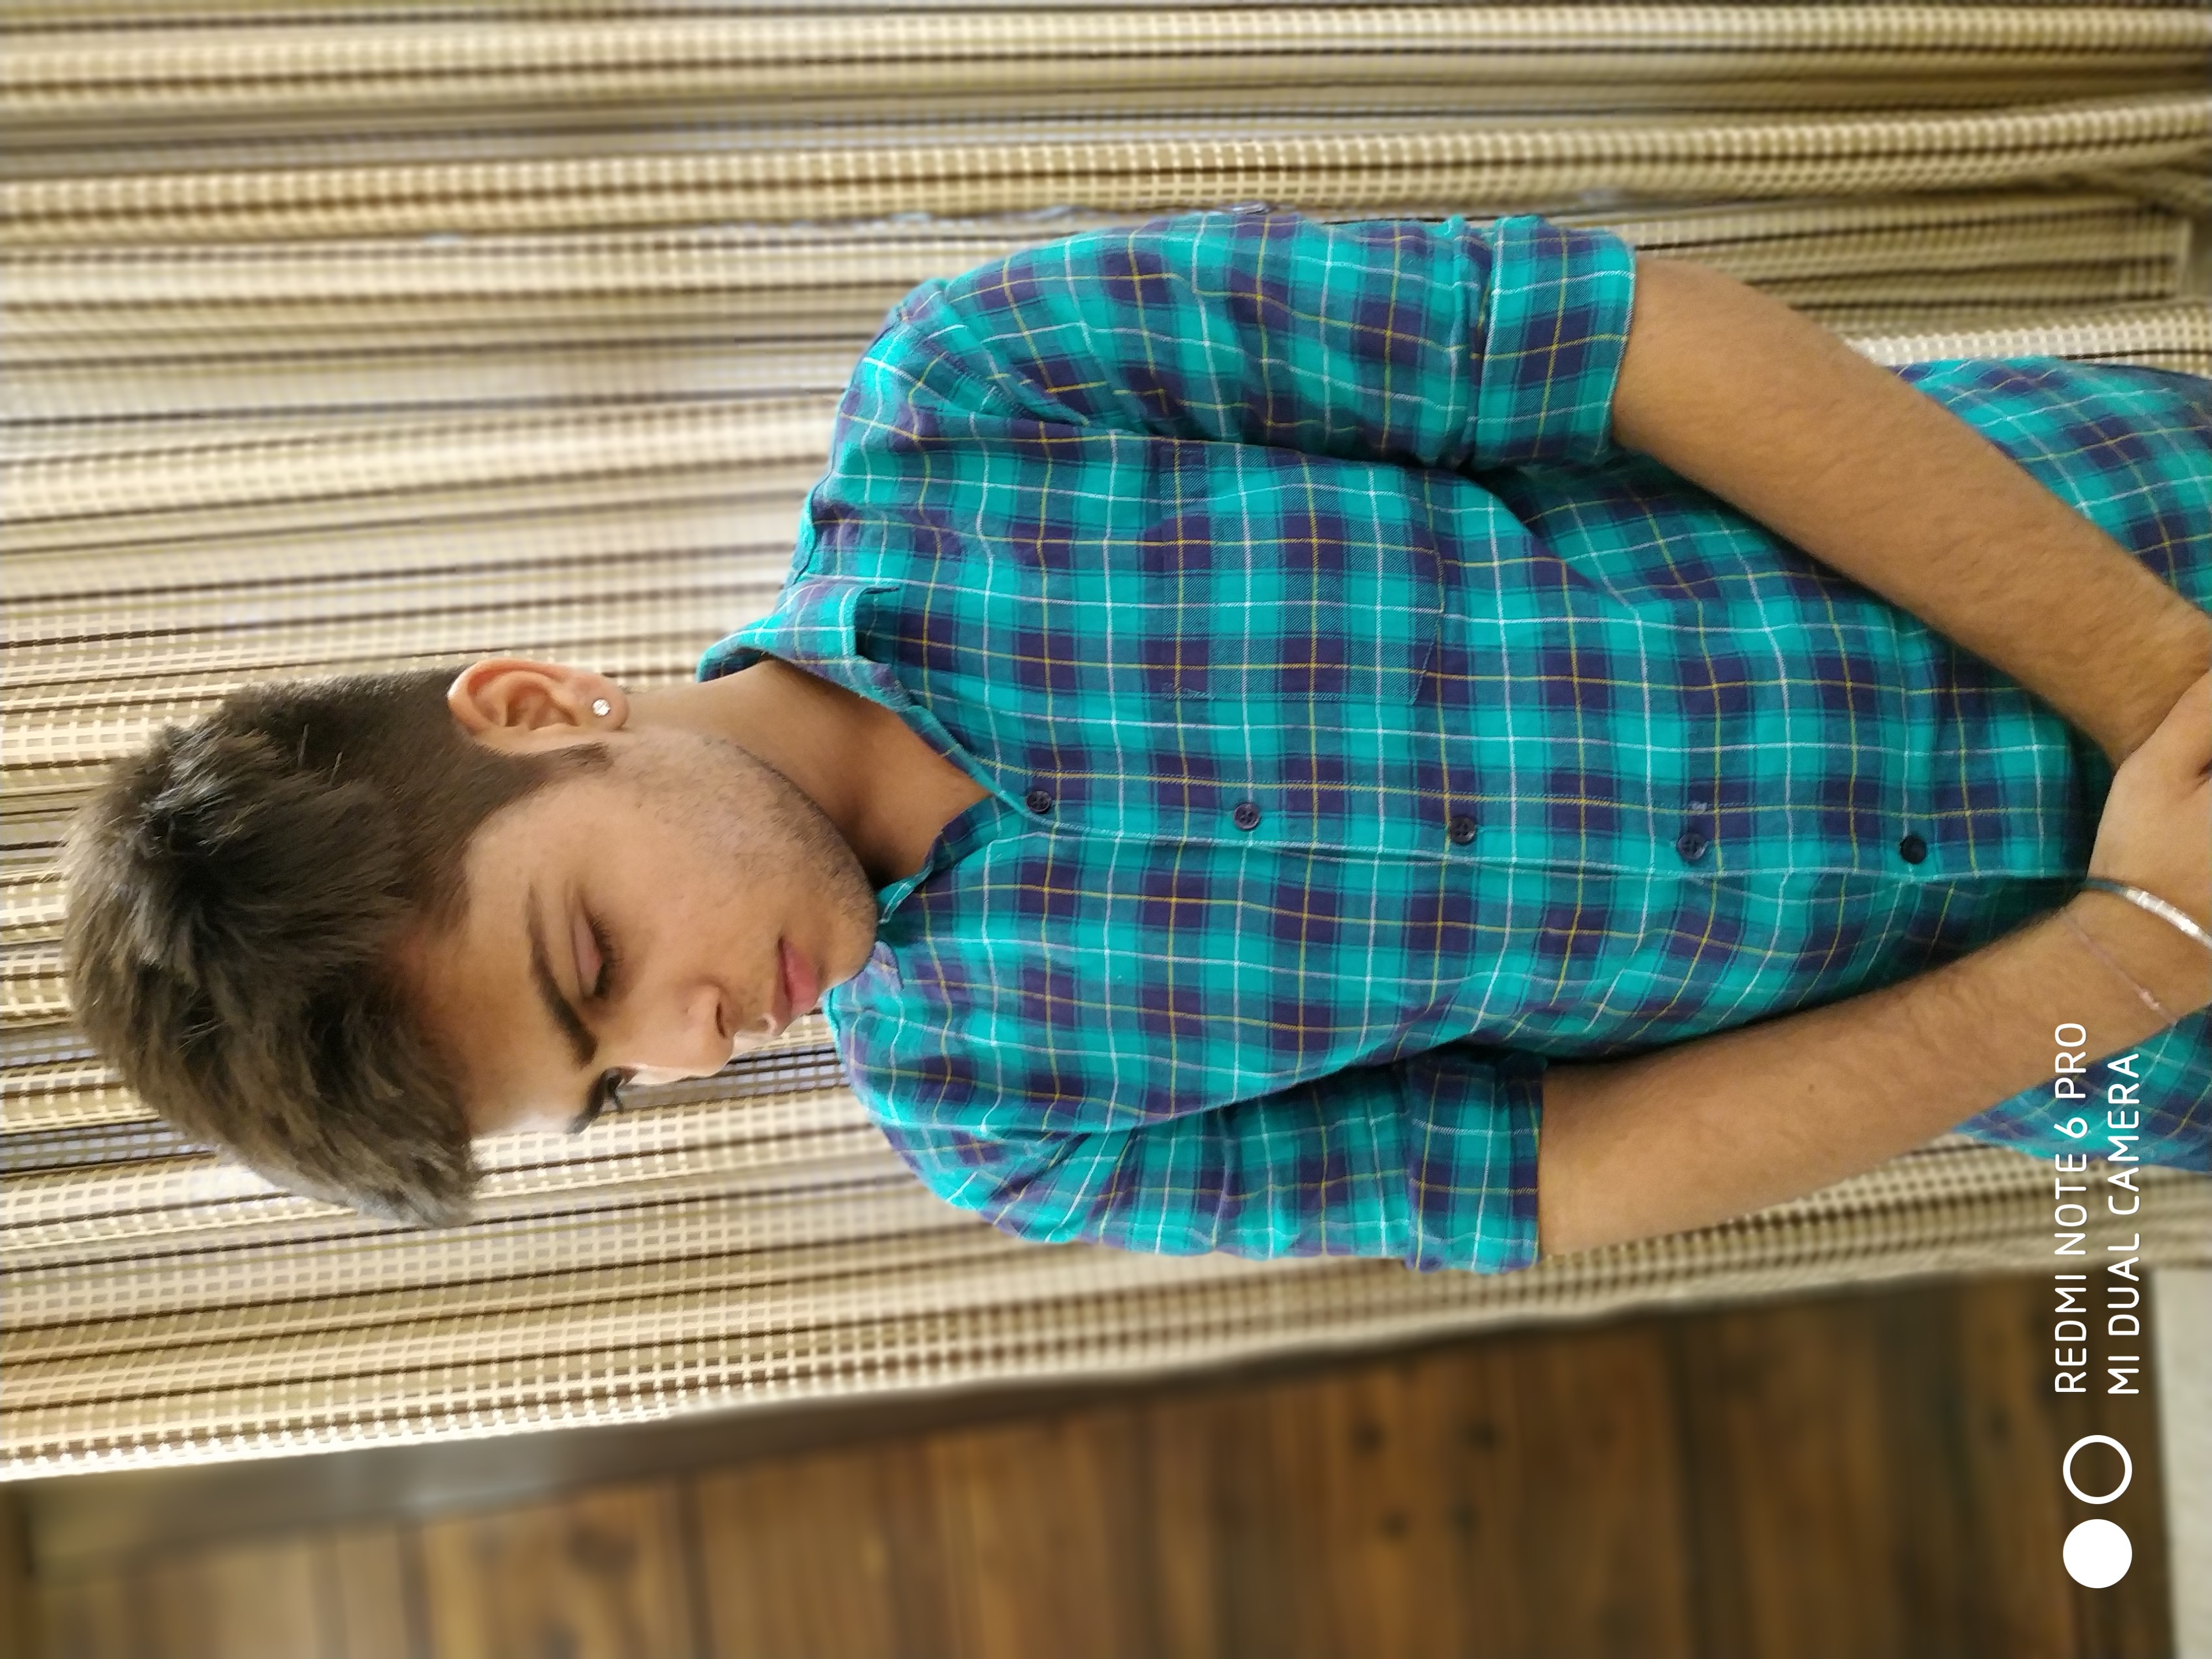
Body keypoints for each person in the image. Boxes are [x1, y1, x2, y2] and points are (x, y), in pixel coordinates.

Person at [63, 207, 2211, 1271]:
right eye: (612, 1079)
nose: (696, 1044)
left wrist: (2159, 695)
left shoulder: (985, 392)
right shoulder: (1005, 1126)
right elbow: (1559, 1172)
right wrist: (2128, 954)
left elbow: (1623, 344)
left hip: (2140, 555)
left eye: (593, 962)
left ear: (539, 713)